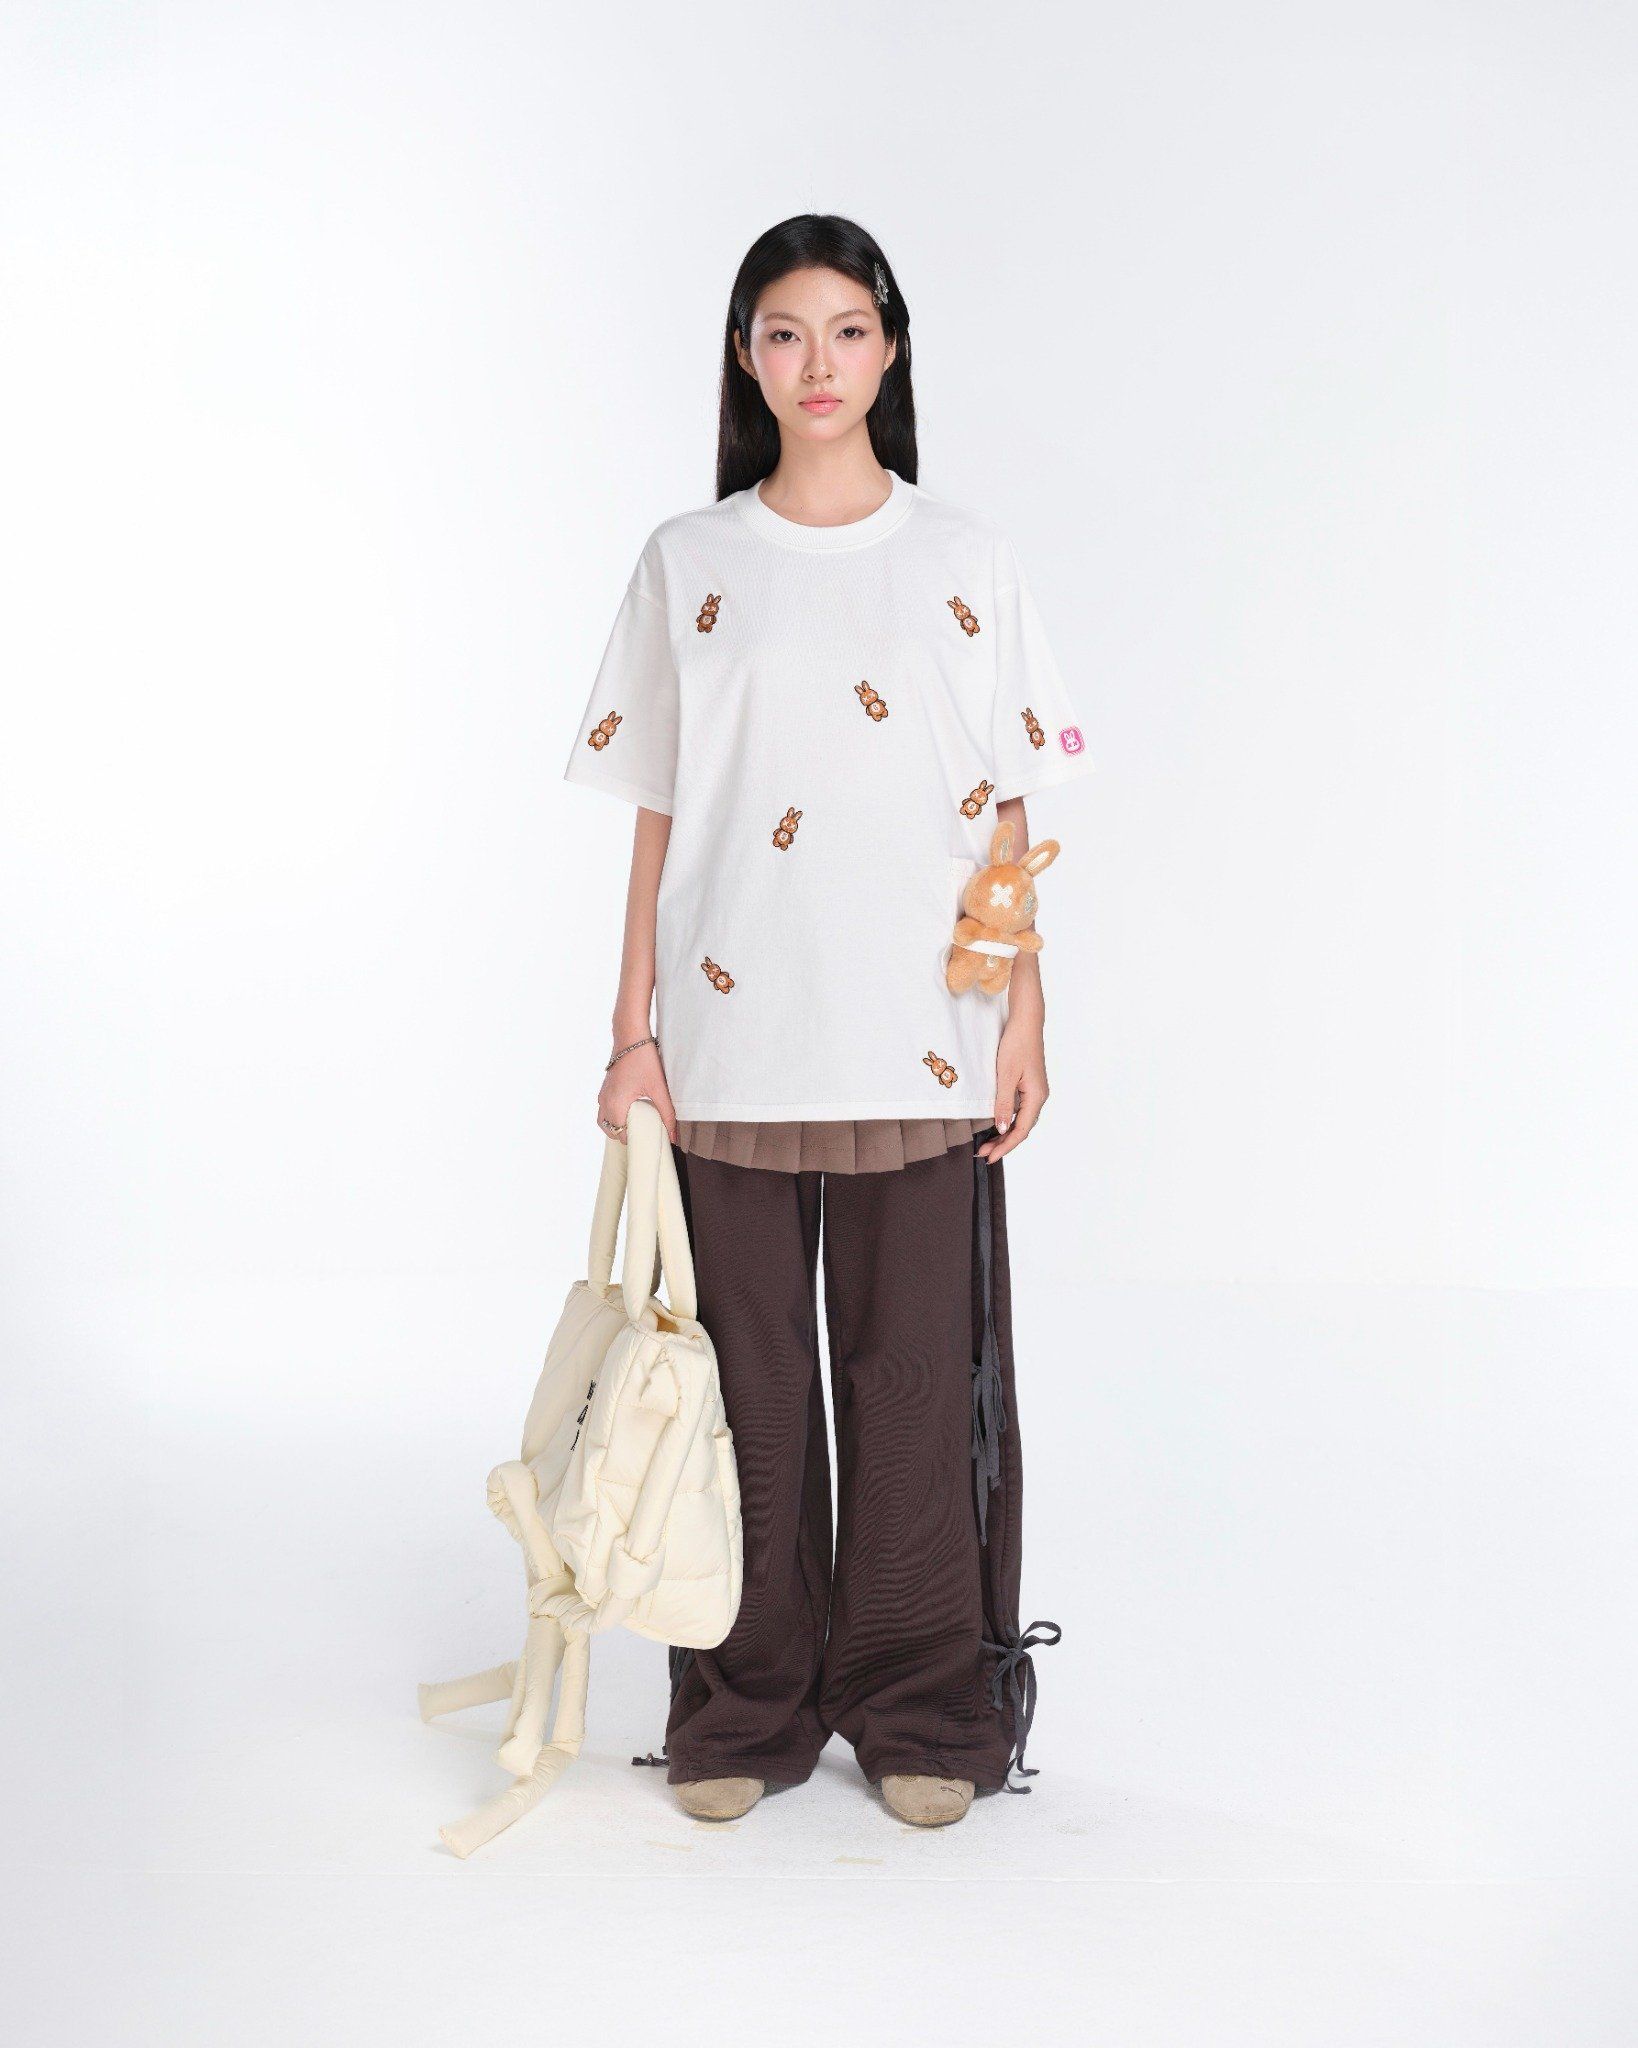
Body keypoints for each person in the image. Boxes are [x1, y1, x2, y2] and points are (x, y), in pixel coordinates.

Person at [562, 214, 1091, 1829]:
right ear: (745, 356)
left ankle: (924, 1708)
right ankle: (742, 1706)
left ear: (889, 349)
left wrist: (1026, 1010)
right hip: (730, 1034)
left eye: (847, 330)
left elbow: (1006, 807)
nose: (817, 363)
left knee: (913, 1381)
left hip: (924, 1028)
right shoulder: (688, 560)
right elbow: (657, 808)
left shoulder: (963, 557)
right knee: (745, 1395)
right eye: (783, 333)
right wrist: (631, 1028)